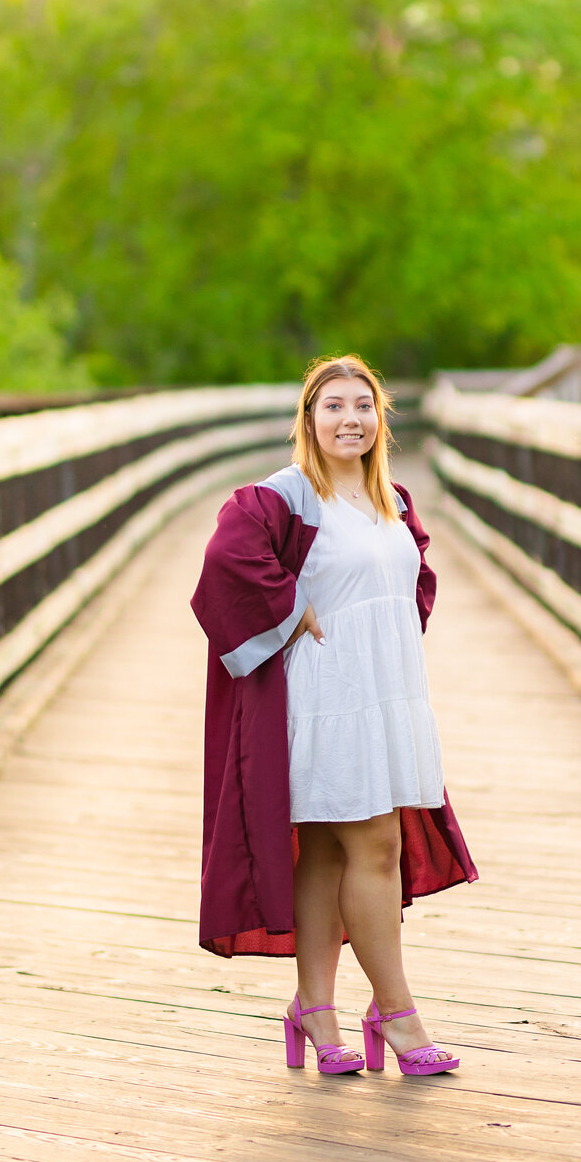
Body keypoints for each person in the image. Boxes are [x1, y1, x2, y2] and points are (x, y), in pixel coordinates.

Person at [191, 353, 477, 1077]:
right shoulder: (285, 499)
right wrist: (289, 609)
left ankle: (314, 1011)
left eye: (362, 406)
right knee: (377, 846)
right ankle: (398, 1015)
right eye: (333, 407)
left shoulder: (393, 502)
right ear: (309, 420)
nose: (349, 419)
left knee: (322, 852)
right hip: (325, 700)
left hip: (384, 694)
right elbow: (225, 562)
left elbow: (406, 590)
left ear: (381, 418)